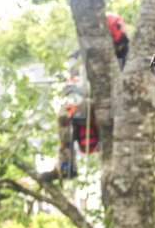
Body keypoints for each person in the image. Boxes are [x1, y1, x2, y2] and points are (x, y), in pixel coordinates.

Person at [40, 12, 129, 182]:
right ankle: (65, 166)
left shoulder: (123, 54)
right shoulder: (91, 53)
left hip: (112, 105)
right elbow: (77, 70)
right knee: (65, 114)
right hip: (95, 102)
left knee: (67, 114)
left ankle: (66, 165)